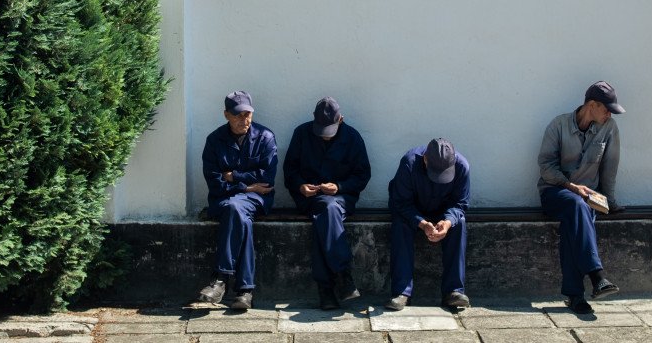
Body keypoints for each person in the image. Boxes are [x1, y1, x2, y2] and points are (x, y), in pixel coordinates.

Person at [537, 80, 625, 315]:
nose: (609, 114)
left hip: (587, 200)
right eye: (606, 108)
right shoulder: (558, 125)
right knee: (576, 205)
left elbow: (609, 168)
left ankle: (576, 296)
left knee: (574, 217)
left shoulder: (609, 128)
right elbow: (546, 166)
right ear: (592, 105)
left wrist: (610, 201)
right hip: (554, 192)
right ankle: (597, 275)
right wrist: (571, 186)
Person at [283, 97, 372, 310]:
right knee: (325, 210)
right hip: (309, 197)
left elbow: (363, 175)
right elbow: (289, 171)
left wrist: (339, 187)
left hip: (341, 198)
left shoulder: (352, 137)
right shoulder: (302, 134)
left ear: (340, 120)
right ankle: (343, 276)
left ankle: (326, 289)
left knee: (327, 211)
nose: (324, 137)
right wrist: (300, 186)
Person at [194, 90, 278, 310]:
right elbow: (215, 182)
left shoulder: (265, 137)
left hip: (257, 199)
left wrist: (235, 177)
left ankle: (220, 279)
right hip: (226, 199)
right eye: (238, 115)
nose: (245, 119)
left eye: (248, 114)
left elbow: (267, 178)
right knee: (239, 215)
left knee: (236, 208)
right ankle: (244, 292)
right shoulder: (214, 140)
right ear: (226, 115)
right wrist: (247, 185)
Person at [386, 138, 471, 311]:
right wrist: (422, 223)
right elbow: (400, 202)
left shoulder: (462, 166)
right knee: (400, 224)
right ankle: (402, 292)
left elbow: (460, 203)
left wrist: (448, 222)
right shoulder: (409, 163)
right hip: (412, 209)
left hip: (443, 212)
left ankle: (453, 291)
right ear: (425, 159)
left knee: (459, 224)